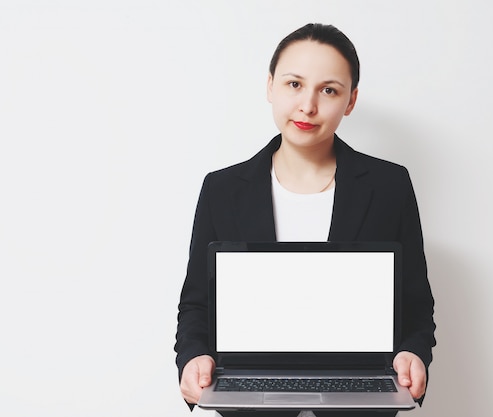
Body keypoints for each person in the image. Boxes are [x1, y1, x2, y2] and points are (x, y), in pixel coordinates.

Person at [175, 23, 436, 417]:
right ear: (270, 87)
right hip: (252, 400)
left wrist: (413, 354)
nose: (308, 106)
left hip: (357, 400)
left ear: (350, 101)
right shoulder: (222, 188)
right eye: (294, 84)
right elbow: (196, 303)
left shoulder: (390, 186)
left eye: (328, 90)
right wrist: (193, 357)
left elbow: (416, 306)